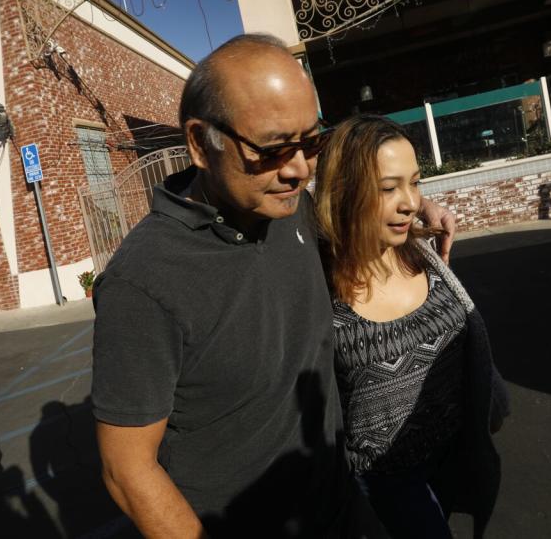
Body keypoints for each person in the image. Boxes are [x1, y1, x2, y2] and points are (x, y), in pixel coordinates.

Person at [91, 34, 455, 537]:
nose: (299, 169)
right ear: (200, 142)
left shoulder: (290, 209)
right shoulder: (142, 283)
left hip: (343, 508)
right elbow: (127, 471)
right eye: (272, 149)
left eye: (311, 142)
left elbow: (350, 219)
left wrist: (418, 214)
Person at [313, 116, 510, 539]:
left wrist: (423, 206)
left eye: (415, 183)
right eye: (388, 188)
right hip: (385, 483)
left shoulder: (422, 253)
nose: (408, 201)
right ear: (344, 193)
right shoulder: (318, 288)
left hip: (455, 454)